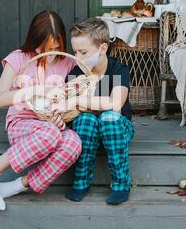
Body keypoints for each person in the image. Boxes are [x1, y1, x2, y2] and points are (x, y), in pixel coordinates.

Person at [0, 11, 82, 211]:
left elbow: (72, 98)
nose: (51, 54)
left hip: (51, 126)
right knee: (50, 133)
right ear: (34, 40)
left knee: (73, 143)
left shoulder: (68, 62)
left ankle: (16, 186)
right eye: (45, 48)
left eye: (57, 48)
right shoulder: (18, 59)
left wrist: (61, 119)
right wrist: (36, 91)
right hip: (22, 125)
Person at [52, 18, 134, 205]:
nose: (78, 57)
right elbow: (68, 106)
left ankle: (121, 183)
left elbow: (115, 103)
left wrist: (79, 100)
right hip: (87, 133)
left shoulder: (118, 70)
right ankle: (82, 179)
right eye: (74, 52)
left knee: (108, 118)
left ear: (102, 49)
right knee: (86, 119)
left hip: (117, 131)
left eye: (83, 52)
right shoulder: (76, 73)